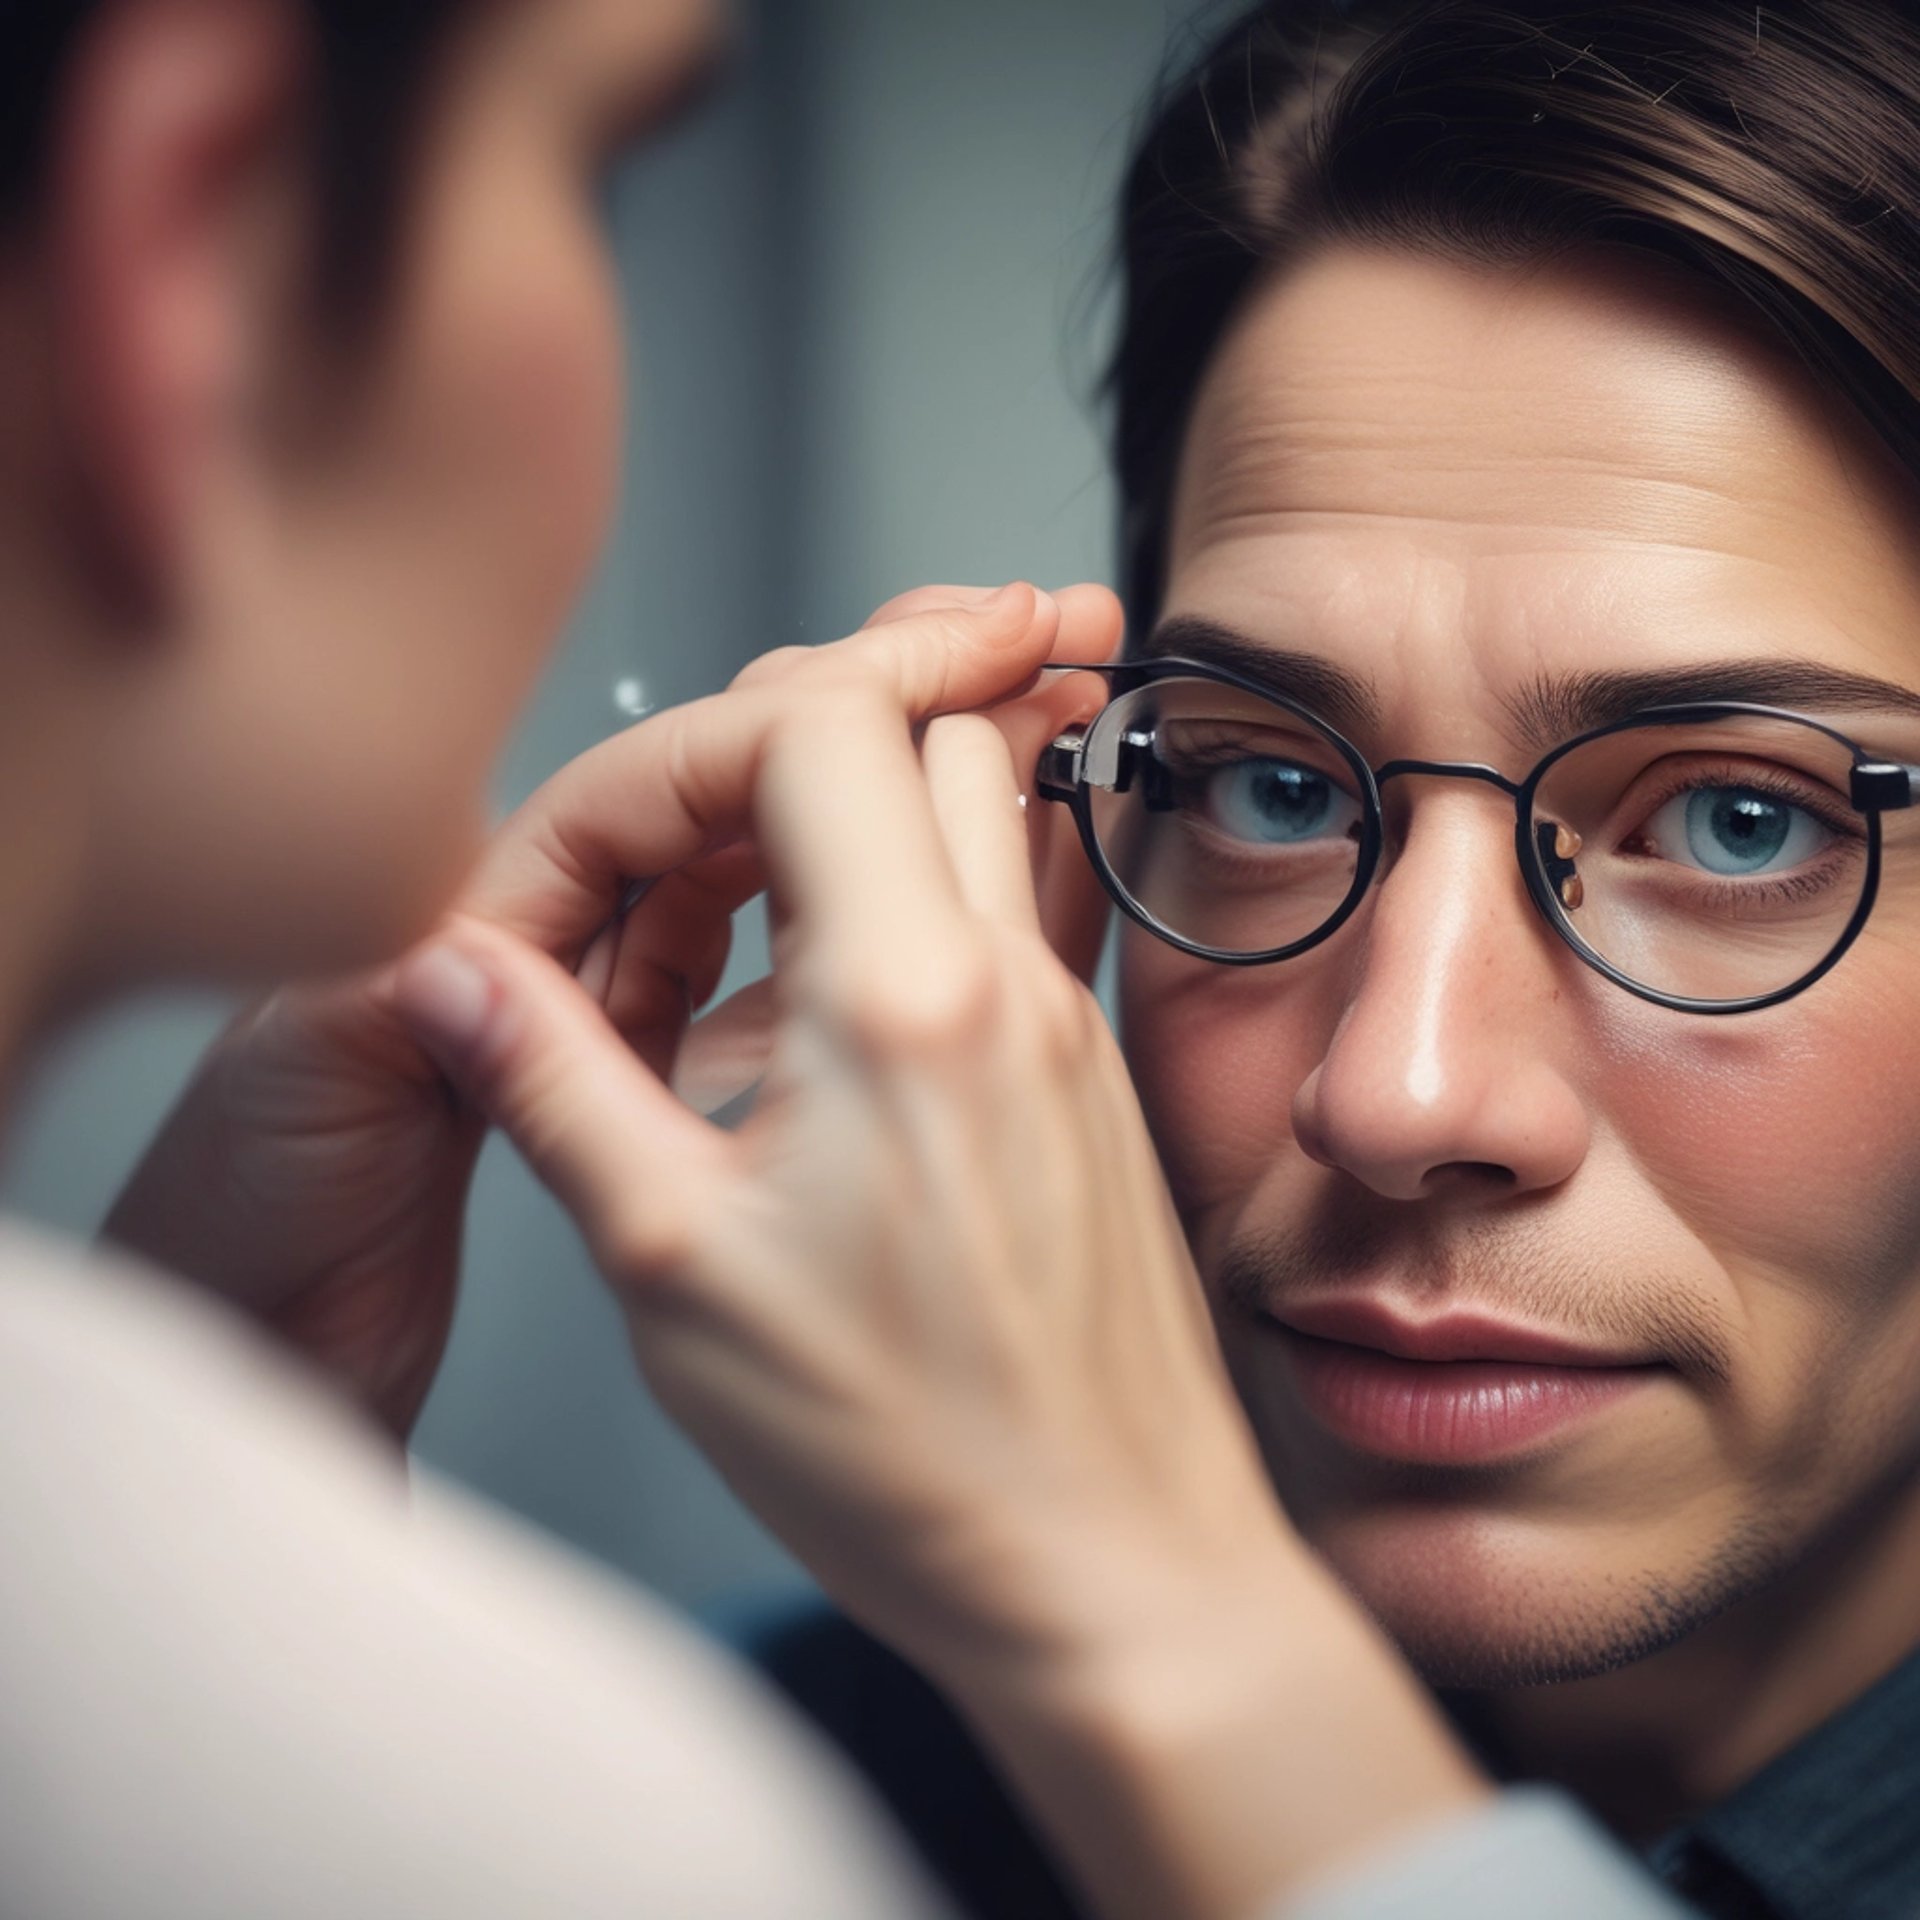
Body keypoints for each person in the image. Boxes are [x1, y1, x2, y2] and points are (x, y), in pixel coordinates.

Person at [0, 7, 1800, 1920]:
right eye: (1277, 784)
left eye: (1745, 824)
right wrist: (199, 1510)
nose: (1397, 1088)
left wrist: (1156, 1618)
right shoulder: (721, 1813)